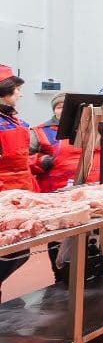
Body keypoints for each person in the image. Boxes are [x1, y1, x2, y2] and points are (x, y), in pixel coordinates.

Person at [0, 65, 44, 298]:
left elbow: (22, 157)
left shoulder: (15, 120)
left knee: (21, 251)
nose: (20, 93)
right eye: (17, 89)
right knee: (11, 251)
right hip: (4, 193)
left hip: (22, 190)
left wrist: (38, 163)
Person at [32, 92, 103, 192]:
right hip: (62, 193)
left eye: (68, 107)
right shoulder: (41, 132)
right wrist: (40, 162)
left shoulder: (100, 128)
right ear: (54, 111)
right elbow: (23, 162)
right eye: (59, 107)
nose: (64, 110)